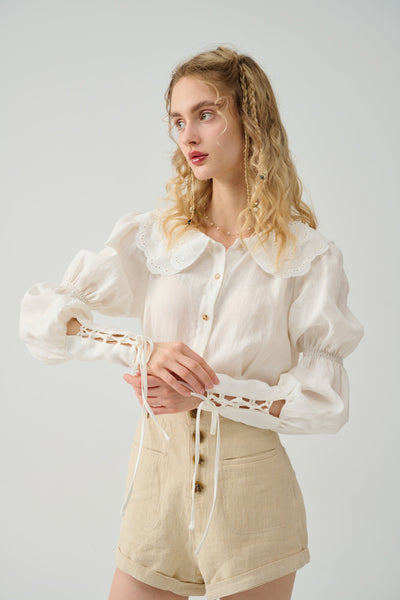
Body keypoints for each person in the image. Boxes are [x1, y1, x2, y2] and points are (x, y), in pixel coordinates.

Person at [19, 45, 365, 600]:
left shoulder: (308, 258)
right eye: (178, 121)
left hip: (252, 497)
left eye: (206, 114)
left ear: (251, 120)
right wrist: (144, 352)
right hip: (156, 486)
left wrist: (206, 392)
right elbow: (43, 318)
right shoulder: (155, 238)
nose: (188, 135)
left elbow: (323, 405)